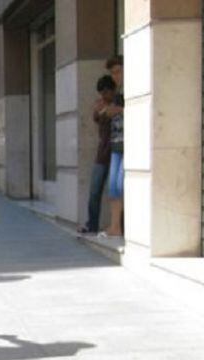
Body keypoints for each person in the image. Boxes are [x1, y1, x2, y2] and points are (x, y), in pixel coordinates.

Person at [79, 75, 117, 234]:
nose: (103, 96)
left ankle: (119, 225)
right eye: (101, 93)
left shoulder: (118, 103)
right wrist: (101, 110)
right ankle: (92, 224)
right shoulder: (101, 105)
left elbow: (110, 113)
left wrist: (109, 110)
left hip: (117, 152)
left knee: (116, 191)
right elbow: (97, 116)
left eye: (106, 93)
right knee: (95, 190)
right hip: (102, 153)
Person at [101, 55, 125, 237]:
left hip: (127, 144)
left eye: (118, 71)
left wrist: (119, 111)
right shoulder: (118, 92)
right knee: (114, 187)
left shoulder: (134, 88)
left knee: (121, 185)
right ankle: (114, 226)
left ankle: (121, 226)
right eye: (113, 73)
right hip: (116, 144)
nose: (115, 76)